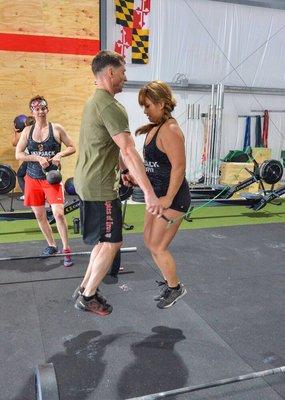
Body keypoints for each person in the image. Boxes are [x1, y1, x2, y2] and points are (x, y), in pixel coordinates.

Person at [73, 50, 163, 316]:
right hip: (100, 186)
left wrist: (124, 171)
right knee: (112, 243)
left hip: (89, 180)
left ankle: (84, 288)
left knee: (103, 241)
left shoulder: (95, 102)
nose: (125, 77)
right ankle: (88, 296)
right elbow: (127, 149)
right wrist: (148, 193)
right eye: (123, 72)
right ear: (110, 72)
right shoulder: (111, 106)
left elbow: (110, 147)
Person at [136, 80, 191, 309]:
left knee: (157, 246)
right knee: (149, 241)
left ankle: (176, 288)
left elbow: (179, 167)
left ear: (160, 103)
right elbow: (153, 164)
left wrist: (168, 198)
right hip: (157, 197)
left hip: (173, 199)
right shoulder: (155, 128)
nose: (145, 111)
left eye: (147, 106)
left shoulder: (170, 130)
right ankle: (170, 284)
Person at [15, 96, 76, 267]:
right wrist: (36, 158)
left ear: (47, 110)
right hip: (33, 179)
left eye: (43, 108)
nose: (40, 111)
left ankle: (66, 249)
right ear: (32, 112)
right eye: (36, 109)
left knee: (58, 214)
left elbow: (72, 147)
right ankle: (51, 245)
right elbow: (18, 154)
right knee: (40, 215)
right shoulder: (27, 132)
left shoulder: (56, 129)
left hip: (52, 179)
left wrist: (59, 155)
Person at [12, 116, 35, 200]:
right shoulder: (37, 131)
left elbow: (14, 143)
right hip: (34, 158)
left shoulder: (25, 133)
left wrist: (15, 132)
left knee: (20, 175)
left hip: (31, 158)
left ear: (25, 124)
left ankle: (27, 195)